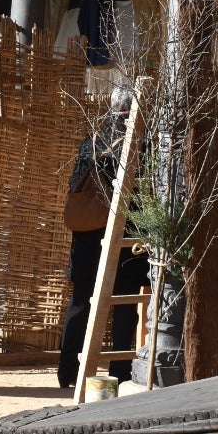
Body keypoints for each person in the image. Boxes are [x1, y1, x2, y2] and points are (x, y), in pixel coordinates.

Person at [56, 86, 150, 389]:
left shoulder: (91, 141)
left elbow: (74, 184)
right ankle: (121, 372)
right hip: (126, 236)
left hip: (87, 237)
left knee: (81, 300)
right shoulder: (141, 142)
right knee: (124, 303)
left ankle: (67, 370)